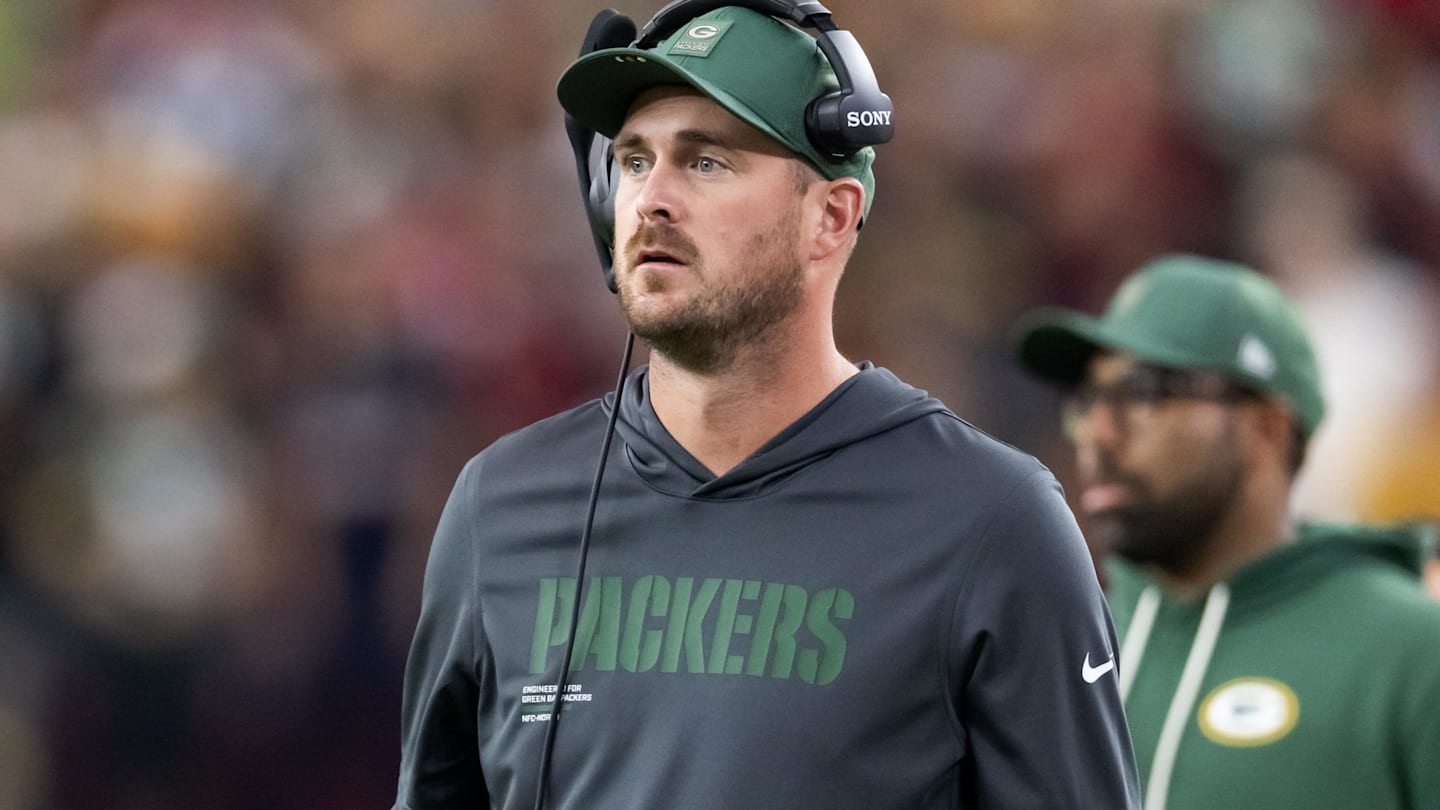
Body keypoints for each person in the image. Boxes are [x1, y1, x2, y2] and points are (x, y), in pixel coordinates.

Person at [393, 4, 1140, 809]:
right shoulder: (499, 508)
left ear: (831, 217)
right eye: (636, 161)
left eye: (707, 162)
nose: (651, 200)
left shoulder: (992, 525)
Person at [1013, 254, 1440, 810]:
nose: (1098, 433)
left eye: (1145, 394)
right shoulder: (1064, 647)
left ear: (1266, 427)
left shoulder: (1408, 651)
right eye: (1089, 399)